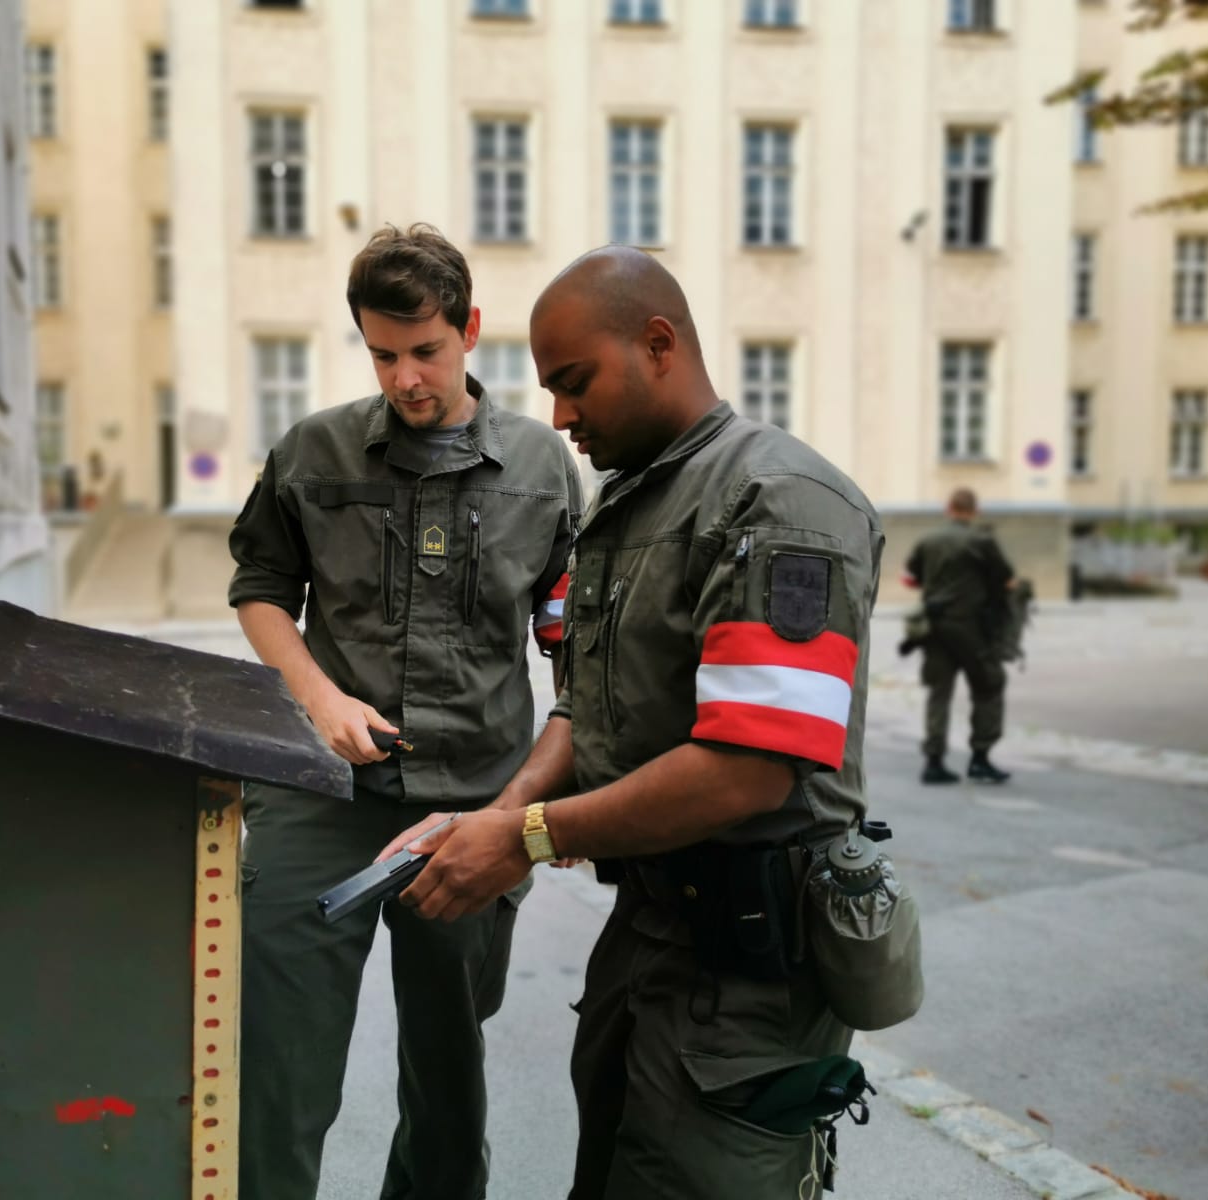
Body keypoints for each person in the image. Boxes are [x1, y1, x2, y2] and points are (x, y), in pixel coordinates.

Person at [378, 246, 886, 1198]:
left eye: (575, 383)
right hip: (650, 935)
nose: (560, 416)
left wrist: (524, 838)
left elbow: (751, 767)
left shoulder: (779, 500)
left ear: (658, 344)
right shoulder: (631, 500)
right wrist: (500, 815)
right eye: (551, 390)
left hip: (748, 974)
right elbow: (588, 702)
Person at [227, 223, 581, 1200]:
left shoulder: (543, 468)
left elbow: (574, 645)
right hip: (323, 797)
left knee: (447, 1073)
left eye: (425, 351)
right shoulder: (314, 451)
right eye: (383, 355)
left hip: (475, 804)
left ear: (469, 330)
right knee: (277, 1065)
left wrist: (549, 802)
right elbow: (260, 588)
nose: (406, 378)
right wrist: (320, 698)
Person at [903, 487, 1015, 785]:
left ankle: (934, 762)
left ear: (948, 508)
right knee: (989, 685)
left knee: (939, 693)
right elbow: (1005, 579)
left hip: (934, 629)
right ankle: (980, 758)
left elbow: (912, 576)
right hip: (971, 629)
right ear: (975, 511)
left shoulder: (928, 540)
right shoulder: (982, 541)